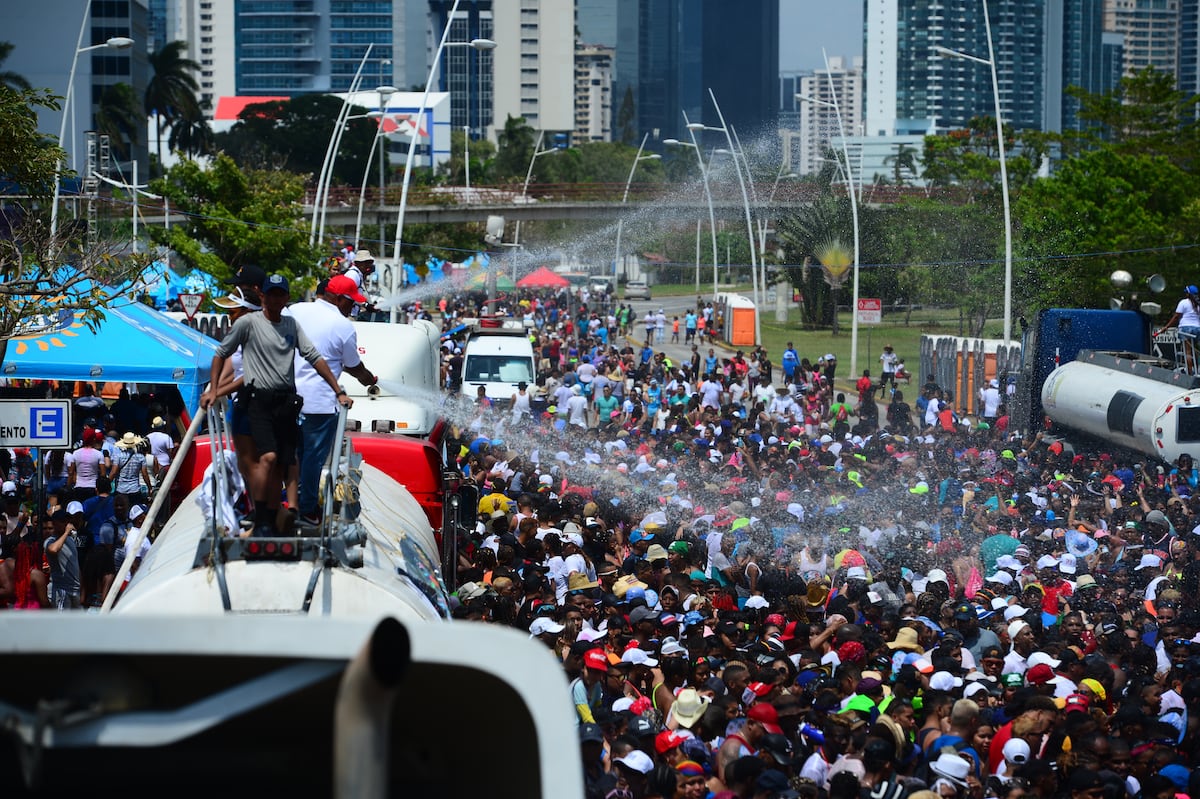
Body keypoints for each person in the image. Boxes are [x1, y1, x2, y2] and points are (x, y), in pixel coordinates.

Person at [201, 274, 353, 537]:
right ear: (263, 297)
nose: (275, 299)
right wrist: (214, 391)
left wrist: (338, 390)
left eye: (280, 294)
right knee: (266, 459)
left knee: (288, 459)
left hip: (285, 402)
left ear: (285, 298)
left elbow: (314, 357)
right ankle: (262, 518)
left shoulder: (291, 326)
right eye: (270, 294)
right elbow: (220, 354)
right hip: (258, 401)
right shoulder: (248, 323)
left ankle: (291, 512)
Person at [286, 275, 377, 527]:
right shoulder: (343, 326)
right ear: (338, 298)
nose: (353, 308)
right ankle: (306, 510)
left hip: (286, 398)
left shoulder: (295, 310)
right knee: (312, 457)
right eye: (351, 302)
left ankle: (288, 502)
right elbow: (353, 366)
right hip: (320, 402)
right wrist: (368, 379)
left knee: (291, 453)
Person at [1157, 284, 1200, 372]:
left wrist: (1166, 327)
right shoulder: (1198, 304)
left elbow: (1176, 317)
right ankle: (1197, 370)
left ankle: (1190, 373)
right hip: (1197, 328)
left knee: (1187, 352)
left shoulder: (1183, 302)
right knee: (1196, 351)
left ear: (1188, 294)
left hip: (1185, 329)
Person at [44, 509, 81, 609]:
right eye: (63, 521)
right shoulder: (50, 541)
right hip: (61, 589)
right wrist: (66, 533)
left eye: (67, 521)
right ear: (55, 523)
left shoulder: (70, 540)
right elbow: (53, 549)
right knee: (62, 622)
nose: (67, 524)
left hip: (75, 589)